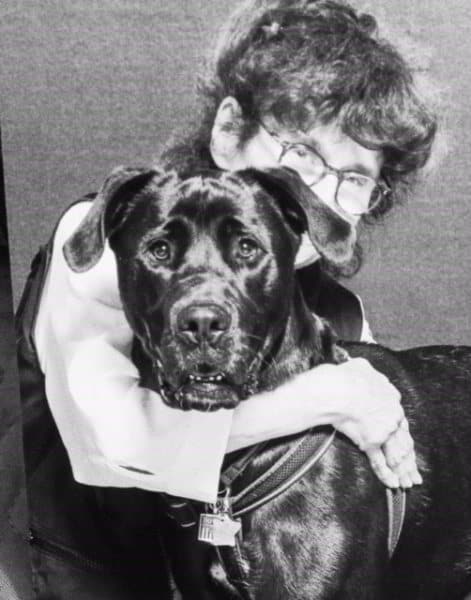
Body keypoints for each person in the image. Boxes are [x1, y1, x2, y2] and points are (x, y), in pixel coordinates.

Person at [16, 0, 437, 597]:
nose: (318, 189)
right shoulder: (106, 239)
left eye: (354, 178)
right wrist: (325, 396)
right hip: (69, 568)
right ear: (229, 129)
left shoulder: (338, 315)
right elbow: (108, 446)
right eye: (301, 153)